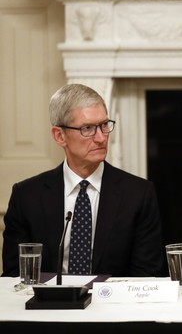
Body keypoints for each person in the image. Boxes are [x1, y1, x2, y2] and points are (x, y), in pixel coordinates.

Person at [2, 83, 165, 278]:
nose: (101, 138)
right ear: (59, 136)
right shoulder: (27, 196)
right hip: (48, 307)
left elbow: (146, 275)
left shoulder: (139, 194)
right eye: (87, 128)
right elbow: (14, 277)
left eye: (104, 125)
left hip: (114, 306)